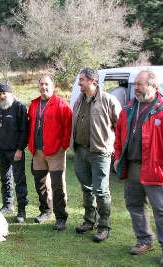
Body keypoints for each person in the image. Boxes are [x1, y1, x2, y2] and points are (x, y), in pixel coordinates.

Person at [114, 70, 163, 265]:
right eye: (135, 84)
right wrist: (117, 157)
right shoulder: (129, 108)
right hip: (132, 167)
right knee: (135, 206)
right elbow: (119, 136)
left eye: (140, 84)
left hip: (156, 168)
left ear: (153, 86)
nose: (135, 87)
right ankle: (145, 240)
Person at [70, 68, 121, 242]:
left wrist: (113, 146)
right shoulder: (79, 100)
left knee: (101, 190)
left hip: (100, 153)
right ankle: (89, 221)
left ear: (92, 81)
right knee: (87, 188)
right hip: (80, 150)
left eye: (82, 80)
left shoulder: (108, 100)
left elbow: (120, 126)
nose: (79, 83)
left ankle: (104, 226)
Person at [27, 76, 72, 230]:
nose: (44, 87)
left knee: (57, 185)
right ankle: (46, 211)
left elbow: (68, 126)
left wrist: (64, 146)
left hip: (55, 151)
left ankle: (61, 217)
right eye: (41, 84)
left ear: (53, 86)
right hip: (37, 151)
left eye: (47, 84)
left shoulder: (61, 104)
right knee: (40, 183)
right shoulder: (34, 104)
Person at [0, 82, 28, 223]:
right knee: (5, 179)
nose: (2, 96)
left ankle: (21, 210)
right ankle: (7, 205)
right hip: (1, 150)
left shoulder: (19, 107)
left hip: (15, 151)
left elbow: (24, 130)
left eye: (4, 93)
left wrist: (20, 149)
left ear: (10, 93)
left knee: (19, 180)